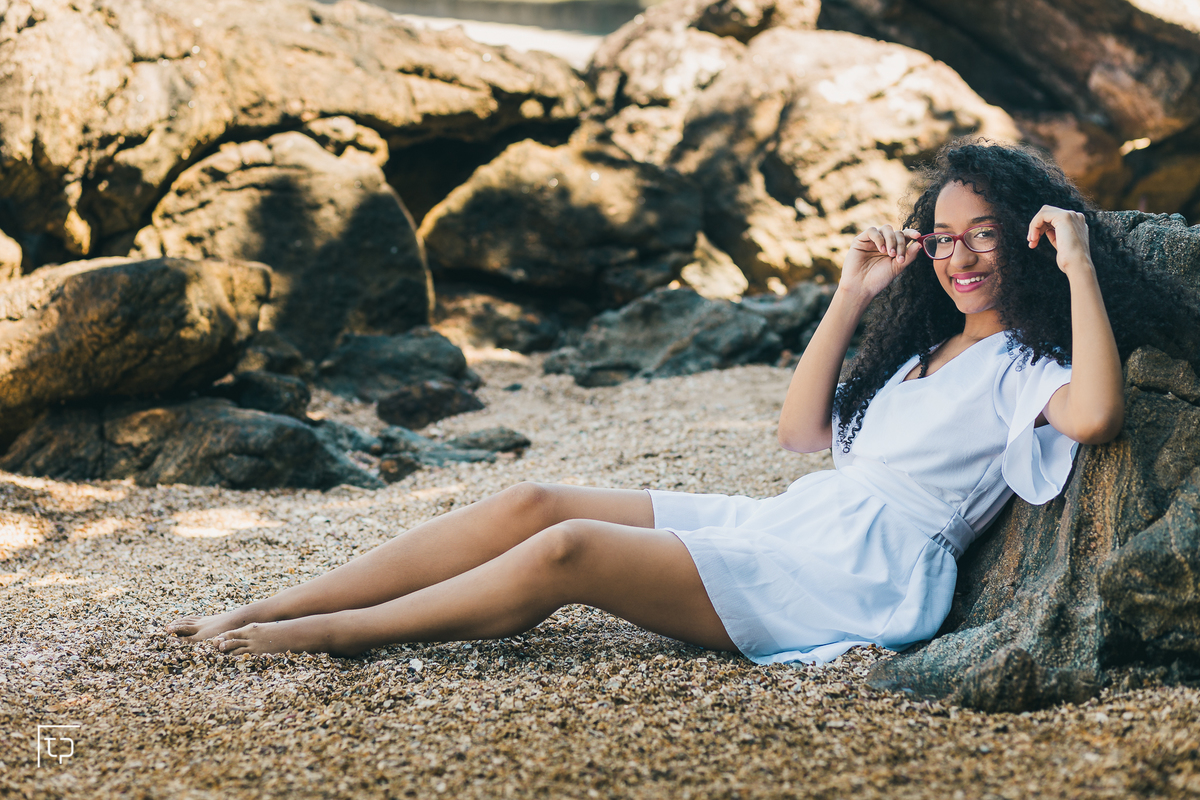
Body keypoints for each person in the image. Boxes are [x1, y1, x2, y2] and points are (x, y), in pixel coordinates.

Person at [166, 140, 1194, 664]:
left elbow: (1097, 414)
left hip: (858, 571)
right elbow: (800, 433)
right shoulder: (923, 344)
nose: (959, 255)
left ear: (1022, 236)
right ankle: (279, 601)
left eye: (983, 233)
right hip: (806, 520)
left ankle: (340, 634)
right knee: (532, 499)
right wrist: (851, 294)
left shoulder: (1025, 360)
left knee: (570, 552)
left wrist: (1080, 262)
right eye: (943, 234)